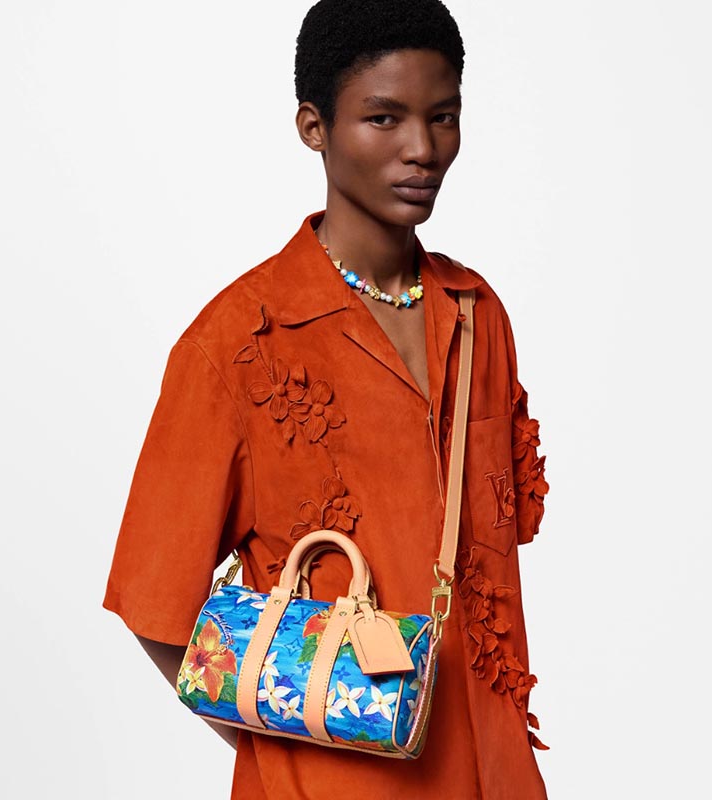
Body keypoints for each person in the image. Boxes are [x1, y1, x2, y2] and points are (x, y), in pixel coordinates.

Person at [103, 0, 551, 797]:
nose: (423, 149)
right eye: (384, 118)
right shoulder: (235, 344)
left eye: (442, 117)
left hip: (497, 774)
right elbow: (155, 602)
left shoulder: (477, 314)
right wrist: (294, 742)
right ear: (314, 126)